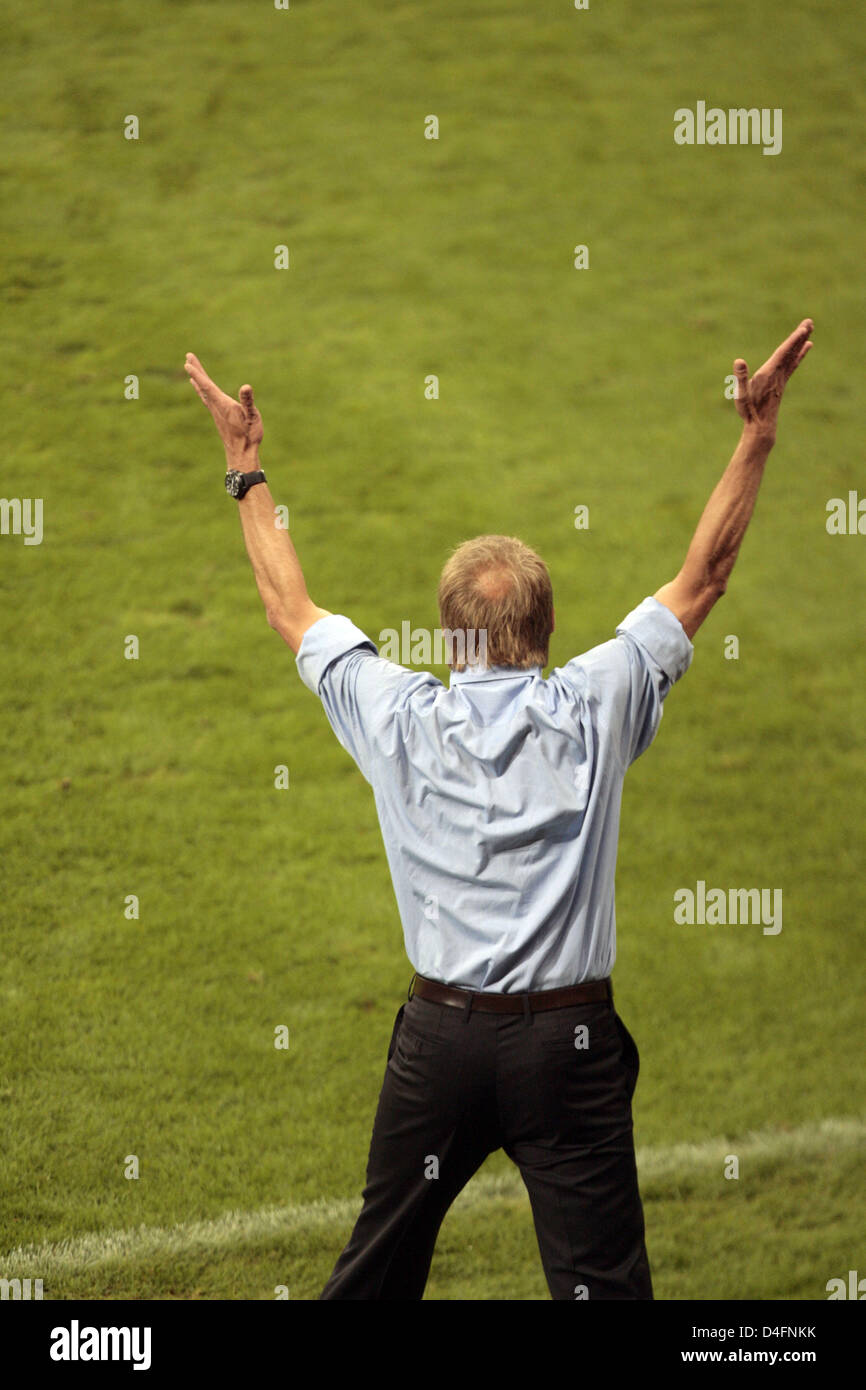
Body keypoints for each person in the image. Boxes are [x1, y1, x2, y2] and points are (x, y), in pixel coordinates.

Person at [183, 318, 813, 1300]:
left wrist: (243, 465)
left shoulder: (393, 713)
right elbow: (704, 577)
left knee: (373, 1279)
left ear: (446, 638)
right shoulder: (597, 701)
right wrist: (755, 433)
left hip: (438, 1046)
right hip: (568, 1048)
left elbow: (288, 608)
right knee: (603, 1287)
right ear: (547, 630)